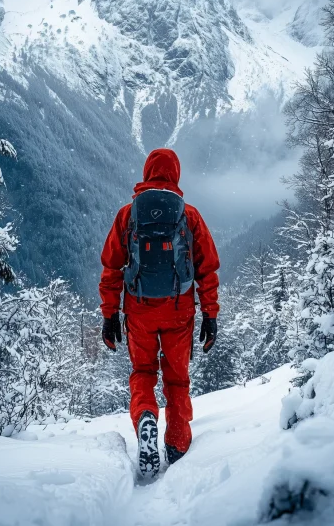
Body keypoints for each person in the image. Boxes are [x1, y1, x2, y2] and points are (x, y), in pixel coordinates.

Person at [99, 148, 220, 477]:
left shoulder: (128, 215)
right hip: (179, 310)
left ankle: (145, 418)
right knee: (177, 379)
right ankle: (178, 443)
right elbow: (207, 268)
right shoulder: (189, 215)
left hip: (139, 310)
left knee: (143, 373)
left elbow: (111, 268)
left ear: (147, 172)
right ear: (176, 174)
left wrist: (110, 315)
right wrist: (210, 314)